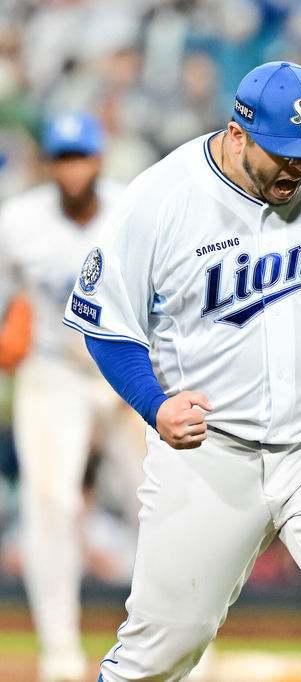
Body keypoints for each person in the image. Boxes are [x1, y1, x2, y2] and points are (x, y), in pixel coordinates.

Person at [64, 62, 301, 682]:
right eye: (284, 152)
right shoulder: (162, 198)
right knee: (159, 655)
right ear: (238, 134)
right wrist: (155, 405)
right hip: (210, 452)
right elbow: (106, 324)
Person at [0, 112, 146, 682]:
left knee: (159, 498)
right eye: (62, 158)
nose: (72, 169)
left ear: (99, 159)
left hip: (127, 364)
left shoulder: (131, 211)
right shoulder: (18, 222)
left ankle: (176, 638)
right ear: (46, 164)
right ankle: (59, 648)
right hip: (54, 368)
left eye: (80, 156)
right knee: (50, 503)